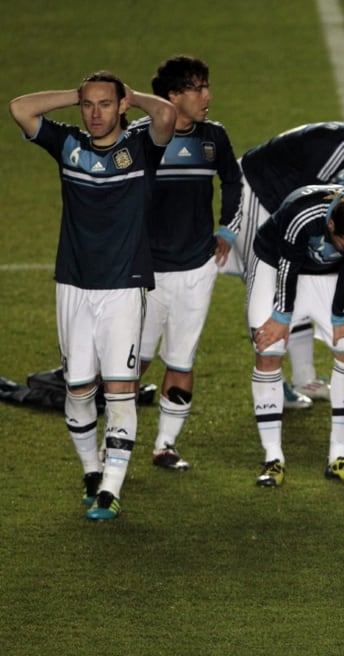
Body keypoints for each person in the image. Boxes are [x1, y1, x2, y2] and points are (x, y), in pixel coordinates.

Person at [9, 71, 176, 519]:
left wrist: (130, 95)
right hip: (74, 286)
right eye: (88, 105)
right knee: (79, 388)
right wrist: (74, 94)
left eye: (105, 104)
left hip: (123, 288)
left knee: (120, 391)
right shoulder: (69, 145)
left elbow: (166, 113)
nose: (95, 113)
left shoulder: (141, 147)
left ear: (121, 106)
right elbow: (19, 108)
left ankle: (111, 489)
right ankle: (91, 471)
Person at [225, 114, 344, 408]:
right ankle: (271, 379)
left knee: (301, 276)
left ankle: (304, 377)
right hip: (256, 191)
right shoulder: (338, 148)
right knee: (267, 282)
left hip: (287, 204)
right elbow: (307, 203)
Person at [131, 55, 242, 472]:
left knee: (182, 359)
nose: (208, 96)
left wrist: (227, 229)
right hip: (147, 271)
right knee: (134, 363)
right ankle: (115, 443)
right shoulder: (141, 138)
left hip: (198, 267)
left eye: (206, 86)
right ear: (173, 97)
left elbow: (233, 180)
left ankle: (165, 445)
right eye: (198, 88)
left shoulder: (214, 137)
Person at [247, 184, 344, 488]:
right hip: (274, 265)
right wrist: (281, 317)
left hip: (331, 276)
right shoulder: (301, 212)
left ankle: (339, 456)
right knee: (269, 349)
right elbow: (288, 266)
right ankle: (273, 457)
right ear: (330, 224)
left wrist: (339, 316)